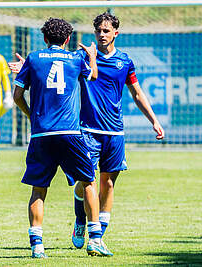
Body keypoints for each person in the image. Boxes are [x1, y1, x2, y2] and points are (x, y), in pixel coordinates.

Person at [13, 18, 112, 258]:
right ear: (67, 40)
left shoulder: (34, 58)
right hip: (70, 133)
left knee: (39, 189)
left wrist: (31, 116)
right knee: (88, 181)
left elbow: (17, 96)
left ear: (45, 39)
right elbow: (94, 77)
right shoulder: (76, 59)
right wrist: (91, 58)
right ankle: (95, 239)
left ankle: (37, 245)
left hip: (41, 134)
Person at [69, 12, 165, 253]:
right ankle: (81, 219)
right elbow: (58, 69)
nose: (101, 34)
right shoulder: (83, 57)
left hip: (114, 132)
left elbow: (137, 93)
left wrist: (154, 120)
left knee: (108, 184)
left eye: (105, 30)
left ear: (115, 33)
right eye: (98, 31)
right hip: (88, 130)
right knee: (85, 182)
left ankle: (98, 236)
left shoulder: (125, 61)